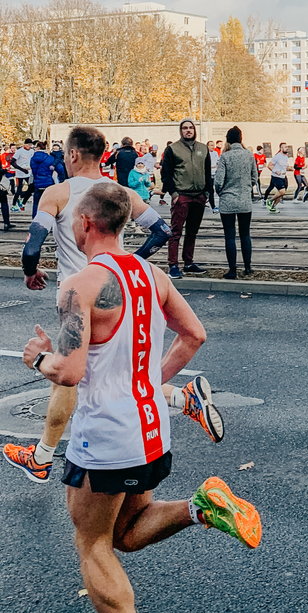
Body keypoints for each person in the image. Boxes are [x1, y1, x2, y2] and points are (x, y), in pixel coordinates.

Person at [19, 181, 260, 612]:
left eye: (73, 218)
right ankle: (199, 506)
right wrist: (148, 384)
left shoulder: (81, 285)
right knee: (125, 534)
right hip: (152, 432)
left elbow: (70, 373)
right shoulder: (153, 275)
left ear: (86, 223)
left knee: (93, 545)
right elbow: (194, 335)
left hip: (106, 439)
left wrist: (39, 360)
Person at [4, 125, 222, 489]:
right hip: (125, 287)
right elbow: (162, 231)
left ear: (72, 155)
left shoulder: (57, 193)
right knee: (109, 374)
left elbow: (31, 247)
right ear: (104, 154)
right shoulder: (117, 193)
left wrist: (31, 273)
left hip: (80, 295)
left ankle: (42, 459)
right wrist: (129, 263)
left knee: (71, 376)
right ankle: (182, 400)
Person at [159, 119, 215, 279]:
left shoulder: (203, 149)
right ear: (180, 130)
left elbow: (207, 172)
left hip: (199, 196)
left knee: (192, 231)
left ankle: (188, 262)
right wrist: (174, 194)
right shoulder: (172, 149)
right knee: (176, 232)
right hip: (182, 195)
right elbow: (166, 173)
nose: (188, 130)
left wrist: (207, 194)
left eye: (191, 128)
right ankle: (173, 265)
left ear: (194, 130)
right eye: (185, 128)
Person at [214, 126, 257, 280]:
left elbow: (218, 181)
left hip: (228, 202)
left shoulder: (225, 157)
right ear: (241, 138)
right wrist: (245, 189)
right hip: (245, 201)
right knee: (245, 234)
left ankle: (232, 270)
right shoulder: (249, 155)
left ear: (228, 139)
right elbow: (254, 178)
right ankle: (248, 267)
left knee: (230, 236)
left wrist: (222, 192)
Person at [29, 141, 66, 218]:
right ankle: (48, 219)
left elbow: (34, 171)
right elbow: (61, 169)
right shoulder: (50, 158)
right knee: (49, 203)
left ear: (38, 148)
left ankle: (35, 219)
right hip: (49, 183)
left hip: (37, 183)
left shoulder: (33, 159)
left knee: (36, 203)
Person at [263, 143, 290, 213]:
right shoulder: (277, 156)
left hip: (283, 177)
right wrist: (275, 171)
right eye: (285, 147)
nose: (287, 148)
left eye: (287, 147)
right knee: (282, 191)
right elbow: (269, 165)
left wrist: (290, 168)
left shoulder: (286, 156)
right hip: (276, 177)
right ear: (281, 148)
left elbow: (285, 167)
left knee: (281, 193)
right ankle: (269, 200)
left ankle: (273, 207)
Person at [11, 138, 34, 210]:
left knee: (32, 188)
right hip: (20, 172)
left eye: (30, 145)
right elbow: (12, 162)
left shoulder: (32, 151)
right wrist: (22, 169)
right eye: (28, 145)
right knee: (19, 189)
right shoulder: (19, 151)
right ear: (24, 144)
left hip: (29, 172)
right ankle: (13, 204)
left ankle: (22, 200)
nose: (29, 146)